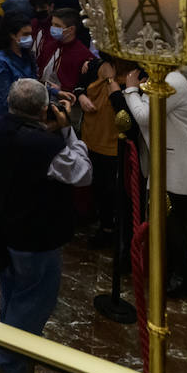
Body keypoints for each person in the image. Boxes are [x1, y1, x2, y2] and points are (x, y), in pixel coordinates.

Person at [0, 79, 89, 373]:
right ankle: (9, 365)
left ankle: (7, 346)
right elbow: (82, 173)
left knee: (12, 292)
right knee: (34, 301)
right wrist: (67, 130)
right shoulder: (45, 146)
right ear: (44, 110)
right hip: (36, 235)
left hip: (1, 226)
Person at [115, 67, 187, 297]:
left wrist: (129, 90)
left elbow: (146, 117)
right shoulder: (162, 79)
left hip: (180, 158)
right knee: (165, 219)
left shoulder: (173, 81)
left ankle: (183, 277)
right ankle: (170, 270)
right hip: (168, 156)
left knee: (172, 220)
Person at [74, 59, 121, 248]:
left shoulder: (136, 76)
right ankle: (102, 222)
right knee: (97, 184)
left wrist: (112, 83)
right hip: (91, 135)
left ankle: (111, 228)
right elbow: (79, 86)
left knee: (112, 188)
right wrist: (82, 97)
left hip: (114, 141)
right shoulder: (93, 66)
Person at [0, 13, 36, 115]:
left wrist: (55, 92)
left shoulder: (27, 55)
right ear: (12, 35)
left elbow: (34, 83)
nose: (30, 38)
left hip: (29, 111)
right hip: (10, 115)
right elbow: (6, 98)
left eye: (30, 34)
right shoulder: (0, 61)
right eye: (25, 34)